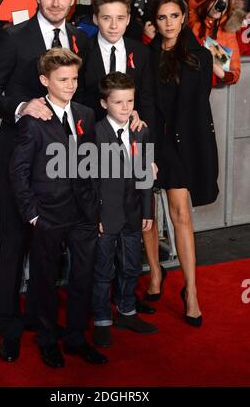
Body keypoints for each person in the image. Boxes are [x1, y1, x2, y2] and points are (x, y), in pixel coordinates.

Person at [0, 0, 88, 363]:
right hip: (19, 162)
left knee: (50, 252)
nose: (55, 2)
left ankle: (44, 323)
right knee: (14, 247)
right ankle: (9, 328)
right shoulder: (13, 38)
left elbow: (84, 101)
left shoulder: (78, 39)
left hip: (62, 168)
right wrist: (22, 106)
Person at [9, 48, 108, 368]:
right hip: (48, 213)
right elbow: (18, 170)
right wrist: (32, 213)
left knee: (84, 277)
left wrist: (97, 207)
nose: (70, 85)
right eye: (62, 79)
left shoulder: (86, 113)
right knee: (45, 279)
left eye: (75, 79)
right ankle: (48, 339)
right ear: (44, 81)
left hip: (84, 213)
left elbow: (92, 163)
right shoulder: (34, 120)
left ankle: (77, 337)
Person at [139, 0, 219, 327]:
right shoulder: (145, 55)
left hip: (182, 145)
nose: (169, 23)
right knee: (146, 212)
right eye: (162, 17)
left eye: (174, 16)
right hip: (151, 140)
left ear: (184, 17)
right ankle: (156, 273)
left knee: (180, 214)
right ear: (153, 22)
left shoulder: (199, 56)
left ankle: (192, 293)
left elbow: (199, 105)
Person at [92, 71, 158, 348]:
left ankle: (127, 312)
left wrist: (147, 211)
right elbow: (90, 181)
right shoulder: (95, 133)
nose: (125, 107)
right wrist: (95, 215)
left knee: (131, 265)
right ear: (104, 103)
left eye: (129, 101)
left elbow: (145, 175)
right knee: (103, 270)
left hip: (133, 213)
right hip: (106, 217)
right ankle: (102, 320)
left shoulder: (140, 131)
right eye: (118, 102)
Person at [82, 0, 154, 139]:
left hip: (131, 138)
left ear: (128, 19)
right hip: (90, 139)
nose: (114, 26)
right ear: (95, 18)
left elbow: (147, 99)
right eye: (106, 18)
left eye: (120, 18)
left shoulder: (142, 53)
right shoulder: (82, 52)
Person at [189, 0, 241, 86]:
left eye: (223, 2)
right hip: (186, 81)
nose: (218, 5)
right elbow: (184, 3)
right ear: (207, 1)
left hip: (208, 87)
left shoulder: (228, 31)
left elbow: (235, 73)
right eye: (214, 0)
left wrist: (220, 71)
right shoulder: (194, 21)